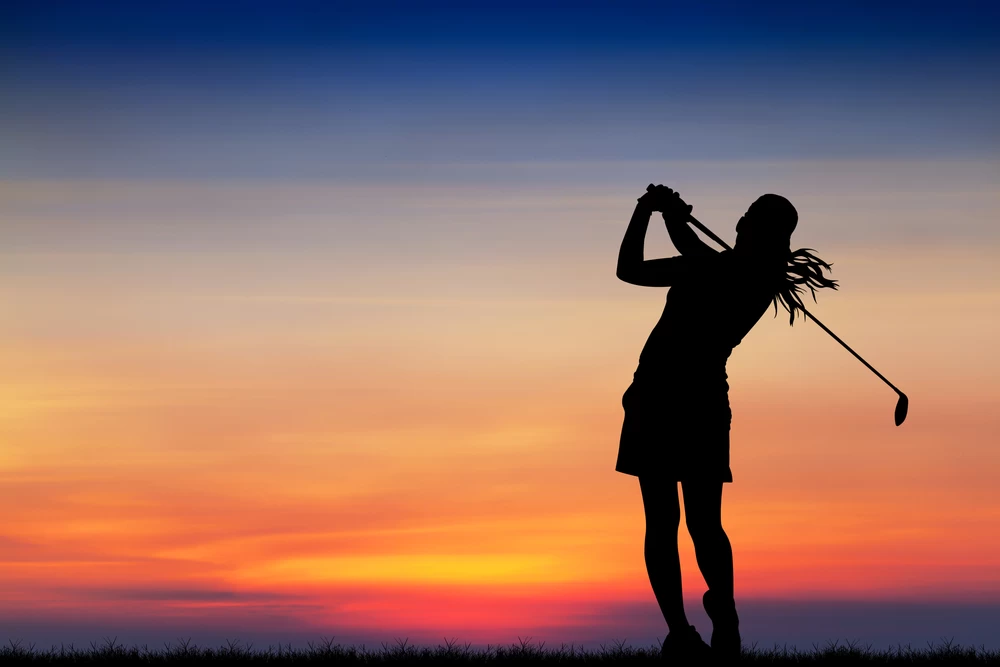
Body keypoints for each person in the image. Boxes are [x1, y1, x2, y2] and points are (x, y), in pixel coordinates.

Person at [615, 185, 837, 661]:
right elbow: (693, 248)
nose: (741, 219)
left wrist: (648, 210)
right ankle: (715, 618)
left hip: (663, 397)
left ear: (751, 229)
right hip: (697, 401)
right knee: (701, 523)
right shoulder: (755, 277)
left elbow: (629, 270)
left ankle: (687, 630)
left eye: (751, 215)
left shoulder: (719, 269)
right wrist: (670, 216)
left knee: (667, 522)